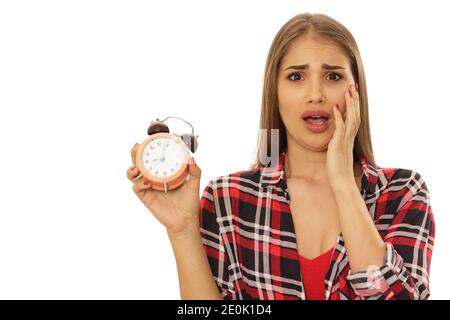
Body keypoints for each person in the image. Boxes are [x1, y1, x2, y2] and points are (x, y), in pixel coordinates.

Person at [126, 12, 435, 300]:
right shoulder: (228, 200)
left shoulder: (402, 192)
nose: (315, 94)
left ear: (356, 90)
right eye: (296, 77)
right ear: (274, 91)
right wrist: (182, 231)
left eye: (333, 76)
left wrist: (342, 181)